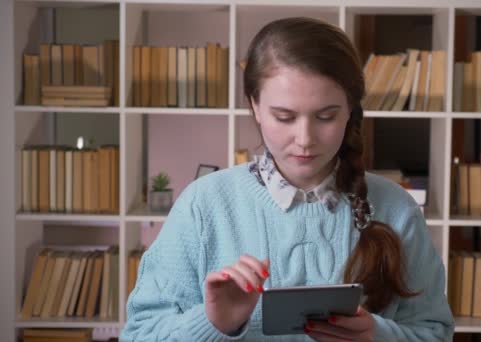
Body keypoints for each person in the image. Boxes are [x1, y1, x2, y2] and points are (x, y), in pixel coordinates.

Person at [120, 17, 454, 341]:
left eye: (326, 116)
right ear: (255, 107)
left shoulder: (396, 209)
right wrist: (211, 324)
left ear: (350, 109)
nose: (305, 138)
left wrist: (377, 335)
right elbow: (138, 335)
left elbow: (435, 332)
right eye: (284, 116)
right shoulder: (202, 206)